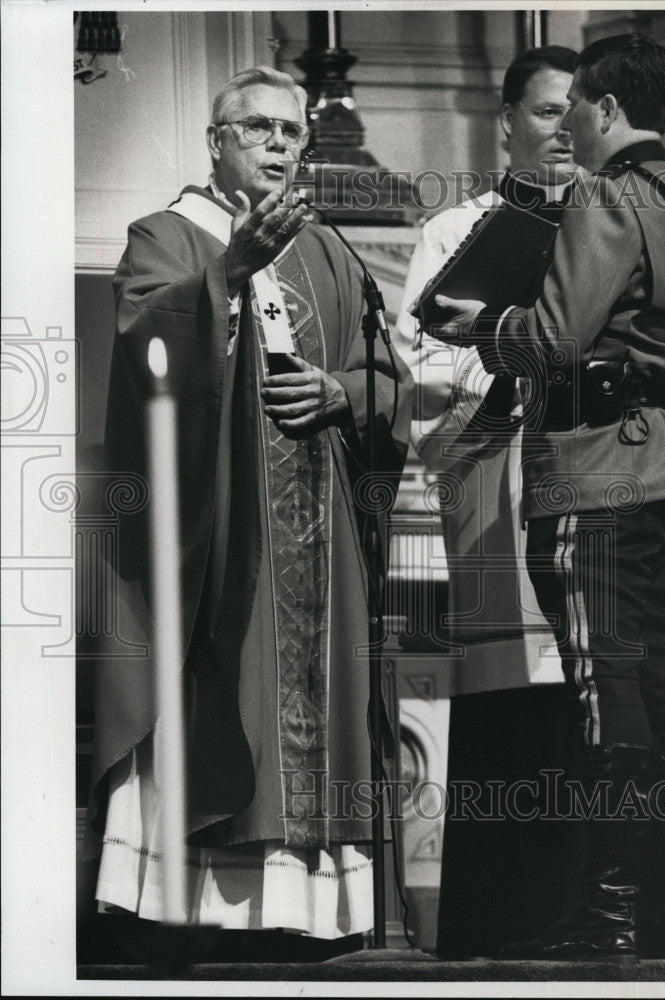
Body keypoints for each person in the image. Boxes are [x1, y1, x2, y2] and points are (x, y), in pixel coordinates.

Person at [87, 66, 412, 944]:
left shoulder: (329, 251)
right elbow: (146, 358)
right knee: (225, 696)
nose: (277, 144)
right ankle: (187, 910)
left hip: (319, 532)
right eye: (257, 128)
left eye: (291, 132)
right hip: (217, 538)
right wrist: (225, 276)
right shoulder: (165, 235)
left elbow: (391, 379)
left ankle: (308, 912)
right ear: (217, 141)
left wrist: (345, 393)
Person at [432, 34, 665, 962]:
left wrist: (481, 323)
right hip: (664, 469)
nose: (570, 126)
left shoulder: (605, 194)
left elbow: (556, 341)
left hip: (594, 476)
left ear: (605, 108)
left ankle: (611, 913)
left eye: (576, 110)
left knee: (608, 694)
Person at [394, 45, 665, 692]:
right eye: (548, 111)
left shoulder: (636, 214)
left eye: (575, 110)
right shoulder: (456, 231)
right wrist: (522, 376)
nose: (565, 128)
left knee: (621, 687)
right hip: (497, 484)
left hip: (609, 478)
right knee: (531, 713)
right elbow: (422, 364)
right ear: (508, 119)